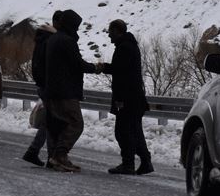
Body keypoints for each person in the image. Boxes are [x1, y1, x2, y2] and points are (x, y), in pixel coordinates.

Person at [42, 9, 101, 172]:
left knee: (59, 124)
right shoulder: (67, 41)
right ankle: (60, 155)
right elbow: (78, 64)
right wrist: (95, 68)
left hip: (53, 90)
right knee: (76, 123)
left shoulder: (53, 39)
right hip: (65, 91)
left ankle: (54, 157)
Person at [102, 20, 154, 175]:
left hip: (127, 99)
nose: (108, 34)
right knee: (134, 131)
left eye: (110, 31)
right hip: (134, 97)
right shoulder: (129, 45)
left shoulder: (124, 48)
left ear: (117, 31)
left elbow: (120, 72)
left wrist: (103, 67)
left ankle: (129, 163)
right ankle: (145, 162)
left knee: (123, 131)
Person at [22, 17, 58, 167]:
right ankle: (45, 154)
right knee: (51, 121)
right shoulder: (49, 42)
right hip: (49, 87)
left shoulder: (40, 41)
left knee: (49, 121)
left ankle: (36, 151)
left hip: (43, 86)